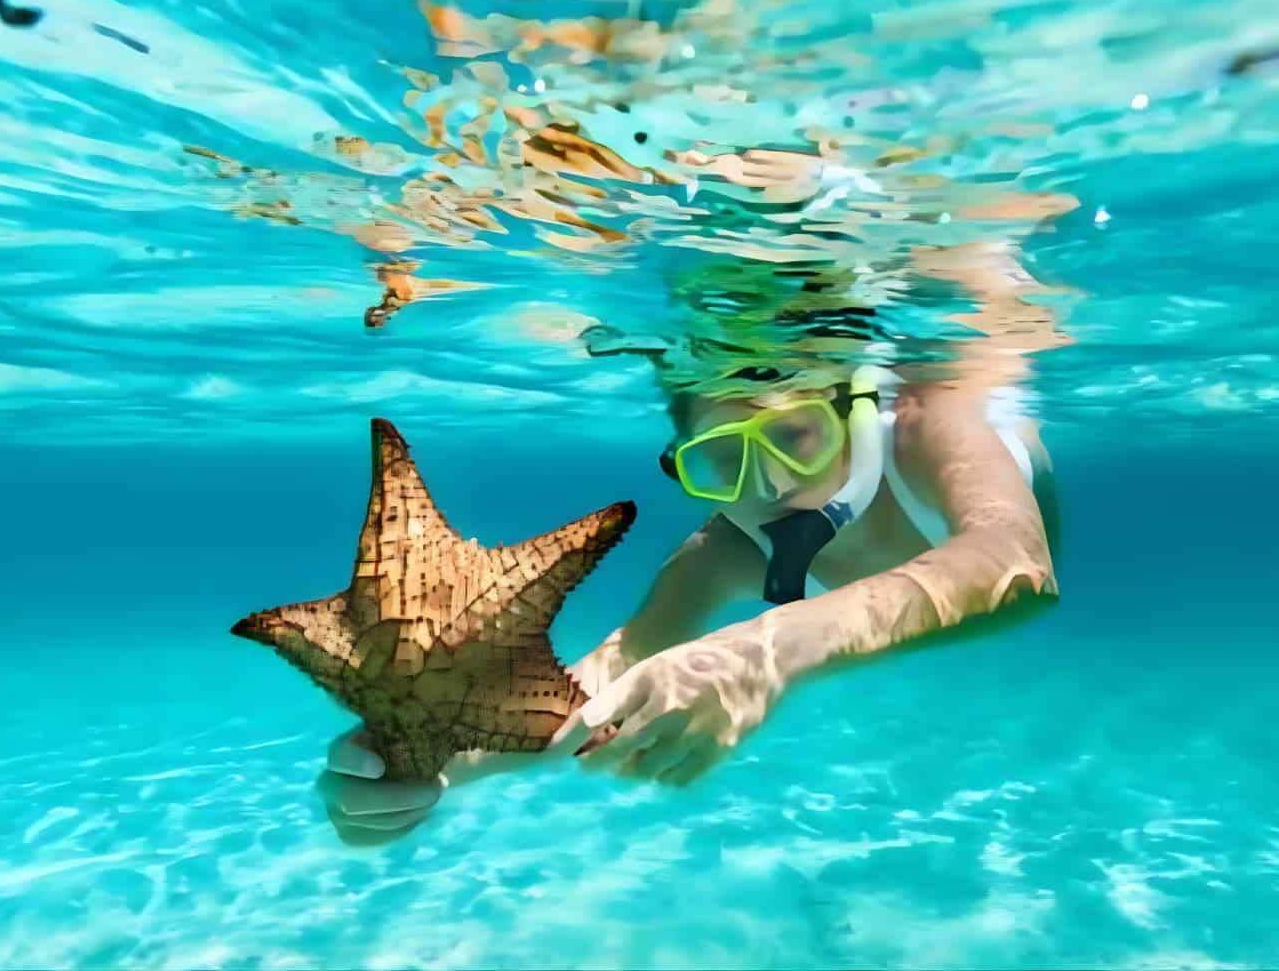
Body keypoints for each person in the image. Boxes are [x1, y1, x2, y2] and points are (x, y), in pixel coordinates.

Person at [318, 241, 1065, 844]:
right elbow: (605, 674)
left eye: (795, 435)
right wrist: (433, 763)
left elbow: (1017, 561)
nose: (768, 485)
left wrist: (764, 654)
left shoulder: (929, 425)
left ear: (855, 407)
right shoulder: (731, 550)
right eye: (720, 460)